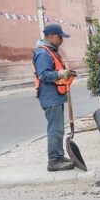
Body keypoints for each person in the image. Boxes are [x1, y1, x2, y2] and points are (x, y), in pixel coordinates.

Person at [33, 24, 77, 172]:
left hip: (56, 96)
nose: (61, 40)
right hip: (50, 97)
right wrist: (60, 74)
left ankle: (58, 155)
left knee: (58, 129)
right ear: (51, 36)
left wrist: (65, 73)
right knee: (55, 129)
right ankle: (54, 161)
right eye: (60, 37)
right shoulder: (43, 53)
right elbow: (43, 74)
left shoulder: (51, 51)